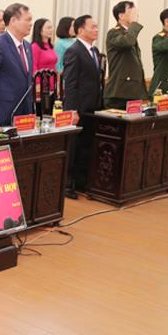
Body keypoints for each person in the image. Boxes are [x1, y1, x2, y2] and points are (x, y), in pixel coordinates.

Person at [63, 14, 103, 199]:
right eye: (92, 26)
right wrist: (72, 110)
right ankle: (67, 185)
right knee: (74, 147)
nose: (96, 29)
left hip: (92, 107)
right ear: (80, 30)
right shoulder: (74, 51)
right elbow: (70, 84)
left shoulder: (94, 51)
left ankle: (81, 182)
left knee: (86, 146)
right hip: (78, 107)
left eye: (96, 26)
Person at [0, 3, 35, 126]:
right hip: (3, 112)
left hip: (25, 113)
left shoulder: (27, 46)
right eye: (28, 20)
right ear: (13, 21)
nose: (31, 24)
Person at [104, 1, 147, 109]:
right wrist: (134, 24)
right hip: (120, 92)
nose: (136, 14)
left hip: (133, 91)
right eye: (131, 11)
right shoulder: (114, 32)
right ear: (121, 16)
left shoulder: (129, 33)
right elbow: (127, 42)